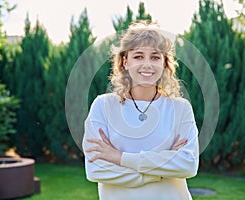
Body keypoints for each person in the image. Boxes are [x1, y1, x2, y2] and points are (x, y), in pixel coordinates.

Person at [82, 20, 199, 200]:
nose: (147, 64)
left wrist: (119, 157)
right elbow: (96, 169)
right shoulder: (103, 106)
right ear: (125, 62)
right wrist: (161, 170)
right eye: (138, 56)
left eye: (155, 57)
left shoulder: (181, 108)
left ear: (165, 63)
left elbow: (188, 165)